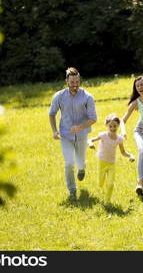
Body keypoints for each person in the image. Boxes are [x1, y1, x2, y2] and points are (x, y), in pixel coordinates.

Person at [49, 67, 97, 200]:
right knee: (69, 162)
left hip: (82, 135)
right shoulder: (59, 96)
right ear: (66, 81)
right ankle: (72, 190)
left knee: (80, 161)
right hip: (65, 135)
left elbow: (93, 118)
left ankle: (82, 169)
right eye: (72, 82)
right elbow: (52, 113)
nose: (75, 85)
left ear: (79, 80)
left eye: (77, 82)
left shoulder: (87, 97)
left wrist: (80, 127)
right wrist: (54, 131)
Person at [88, 114, 135, 203]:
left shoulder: (119, 139)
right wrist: (90, 144)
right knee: (100, 183)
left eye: (115, 126)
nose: (113, 128)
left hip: (111, 164)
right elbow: (90, 139)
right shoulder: (103, 135)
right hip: (102, 162)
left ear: (118, 126)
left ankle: (107, 201)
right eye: (110, 126)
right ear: (106, 125)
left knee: (110, 183)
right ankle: (101, 191)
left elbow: (123, 152)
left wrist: (130, 156)